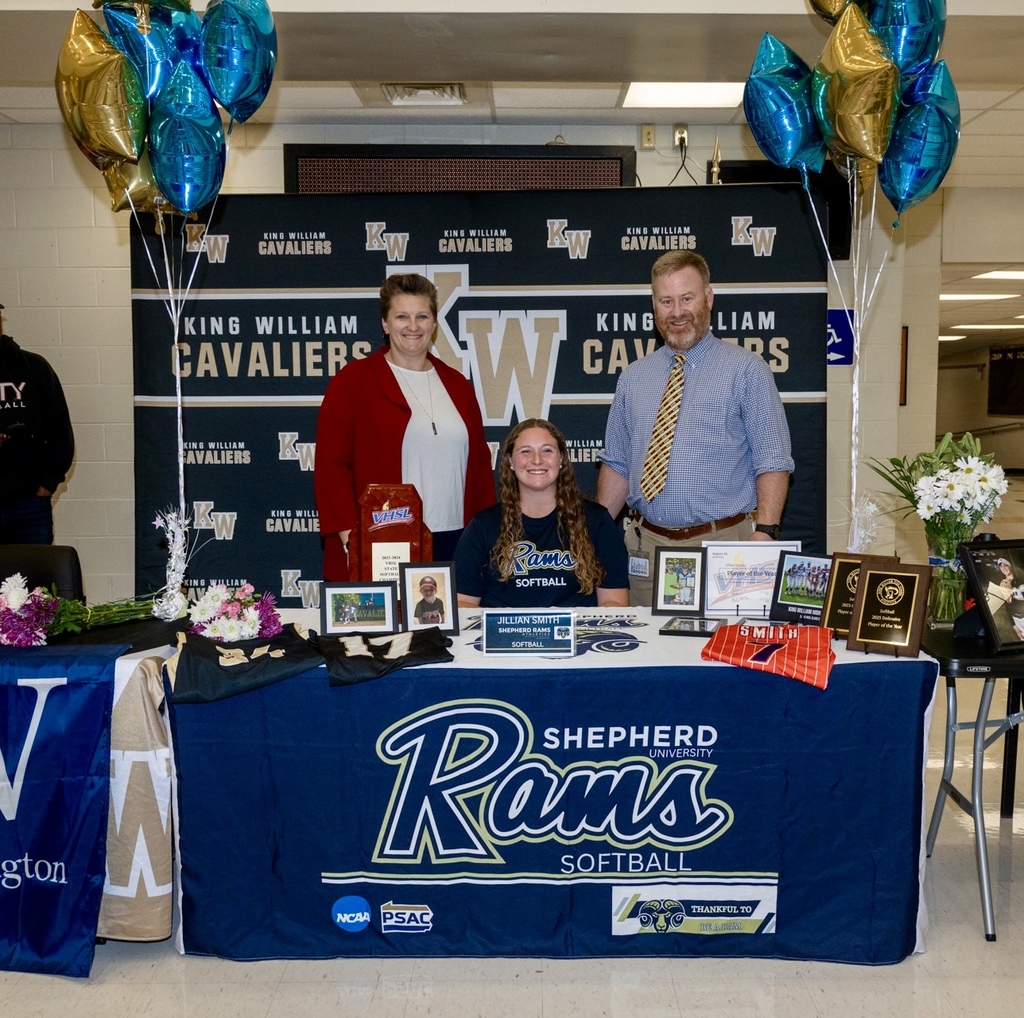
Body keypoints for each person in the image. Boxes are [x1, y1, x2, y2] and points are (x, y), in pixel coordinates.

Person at [597, 251, 793, 607]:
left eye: (687, 298)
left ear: (708, 297)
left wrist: (765, 532)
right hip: (646, 549)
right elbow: (618, 465)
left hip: (724, 548)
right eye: (666, 301)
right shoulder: (633, 377)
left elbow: (773, 460)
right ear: (654, 305)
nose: (677, 312)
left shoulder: (746, 370)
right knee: (649, 655)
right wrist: (591, 533)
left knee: (723, 655)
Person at [315, 273, 495, 580]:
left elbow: (479, 467)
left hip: (456, 541)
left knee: (454, 629)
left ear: (434, 324)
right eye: (402, 316)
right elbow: (331, 468)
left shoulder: (458, 386)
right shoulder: (353, 381)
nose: (413, 326)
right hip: (384, 541)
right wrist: (352, 542)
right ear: (385, 324)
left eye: (422, 316)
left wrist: (485, 540)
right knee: (386, 630)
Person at [455, 418, 628, 608]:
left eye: (547, 450)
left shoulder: (597, 521)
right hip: (505, 636)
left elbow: (614, 602)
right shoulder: (483, 526)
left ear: (561, 458)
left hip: (576, 635)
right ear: (510, 461)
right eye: (526, 451)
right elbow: (463, 603)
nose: (537, 460)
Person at [0, 304, 75, 544]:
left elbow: (61, 432)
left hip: (30, 505)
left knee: (35, 579)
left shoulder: (35, 368)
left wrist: (46, 486)